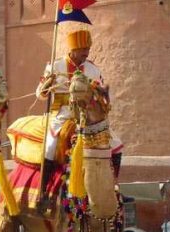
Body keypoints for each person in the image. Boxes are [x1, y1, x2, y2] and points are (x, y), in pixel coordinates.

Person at [35, 28, 122, 203]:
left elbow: (102, 94)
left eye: (87, 49)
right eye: (83, 50)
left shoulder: (92, 69)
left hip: (86, 115)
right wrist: (46, 86)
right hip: (62, 114)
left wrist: (103, 95)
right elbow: (39, 94)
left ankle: (113, 185)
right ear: (72, 49)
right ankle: (43, 191)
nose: (86, 53)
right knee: (50, 146)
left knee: (117, 144)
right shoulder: (55, 66)